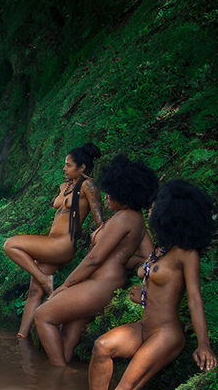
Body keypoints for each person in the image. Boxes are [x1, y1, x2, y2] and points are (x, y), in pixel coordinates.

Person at [80, 180, 217, 390]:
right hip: (145, 326)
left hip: (165, 334)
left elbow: (195, 299)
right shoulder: (160, 248)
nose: (151, 209)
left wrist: (204, 344)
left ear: (171, 212)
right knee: (101, 346)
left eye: (156, 206)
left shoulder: (186, 254)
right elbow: (154, 282)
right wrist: (141, 297)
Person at [33, 155, 159, 367]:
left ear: (124, 194)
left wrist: (66, 285)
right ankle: (58, 380)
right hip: (102, 283)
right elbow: (147, 256)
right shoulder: (136, 219)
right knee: (67, 336)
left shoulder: (123, 218)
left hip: (100, 285)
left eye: (111, 193)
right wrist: (122, 260)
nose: (106, 196)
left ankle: (59, 372)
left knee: (42, 314)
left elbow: (94, 259)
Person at [3, 143, 104, 339]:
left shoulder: (88, 186)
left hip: (63, 244)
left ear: (82, 167)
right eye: (65, 164)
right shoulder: (64, 186)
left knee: (10, 244)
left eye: (68, 165)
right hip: (51, 243)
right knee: (34, 291)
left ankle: (45, 280)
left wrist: (102, 244)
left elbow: (99, 220)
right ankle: (21, 337)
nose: (64, 168)